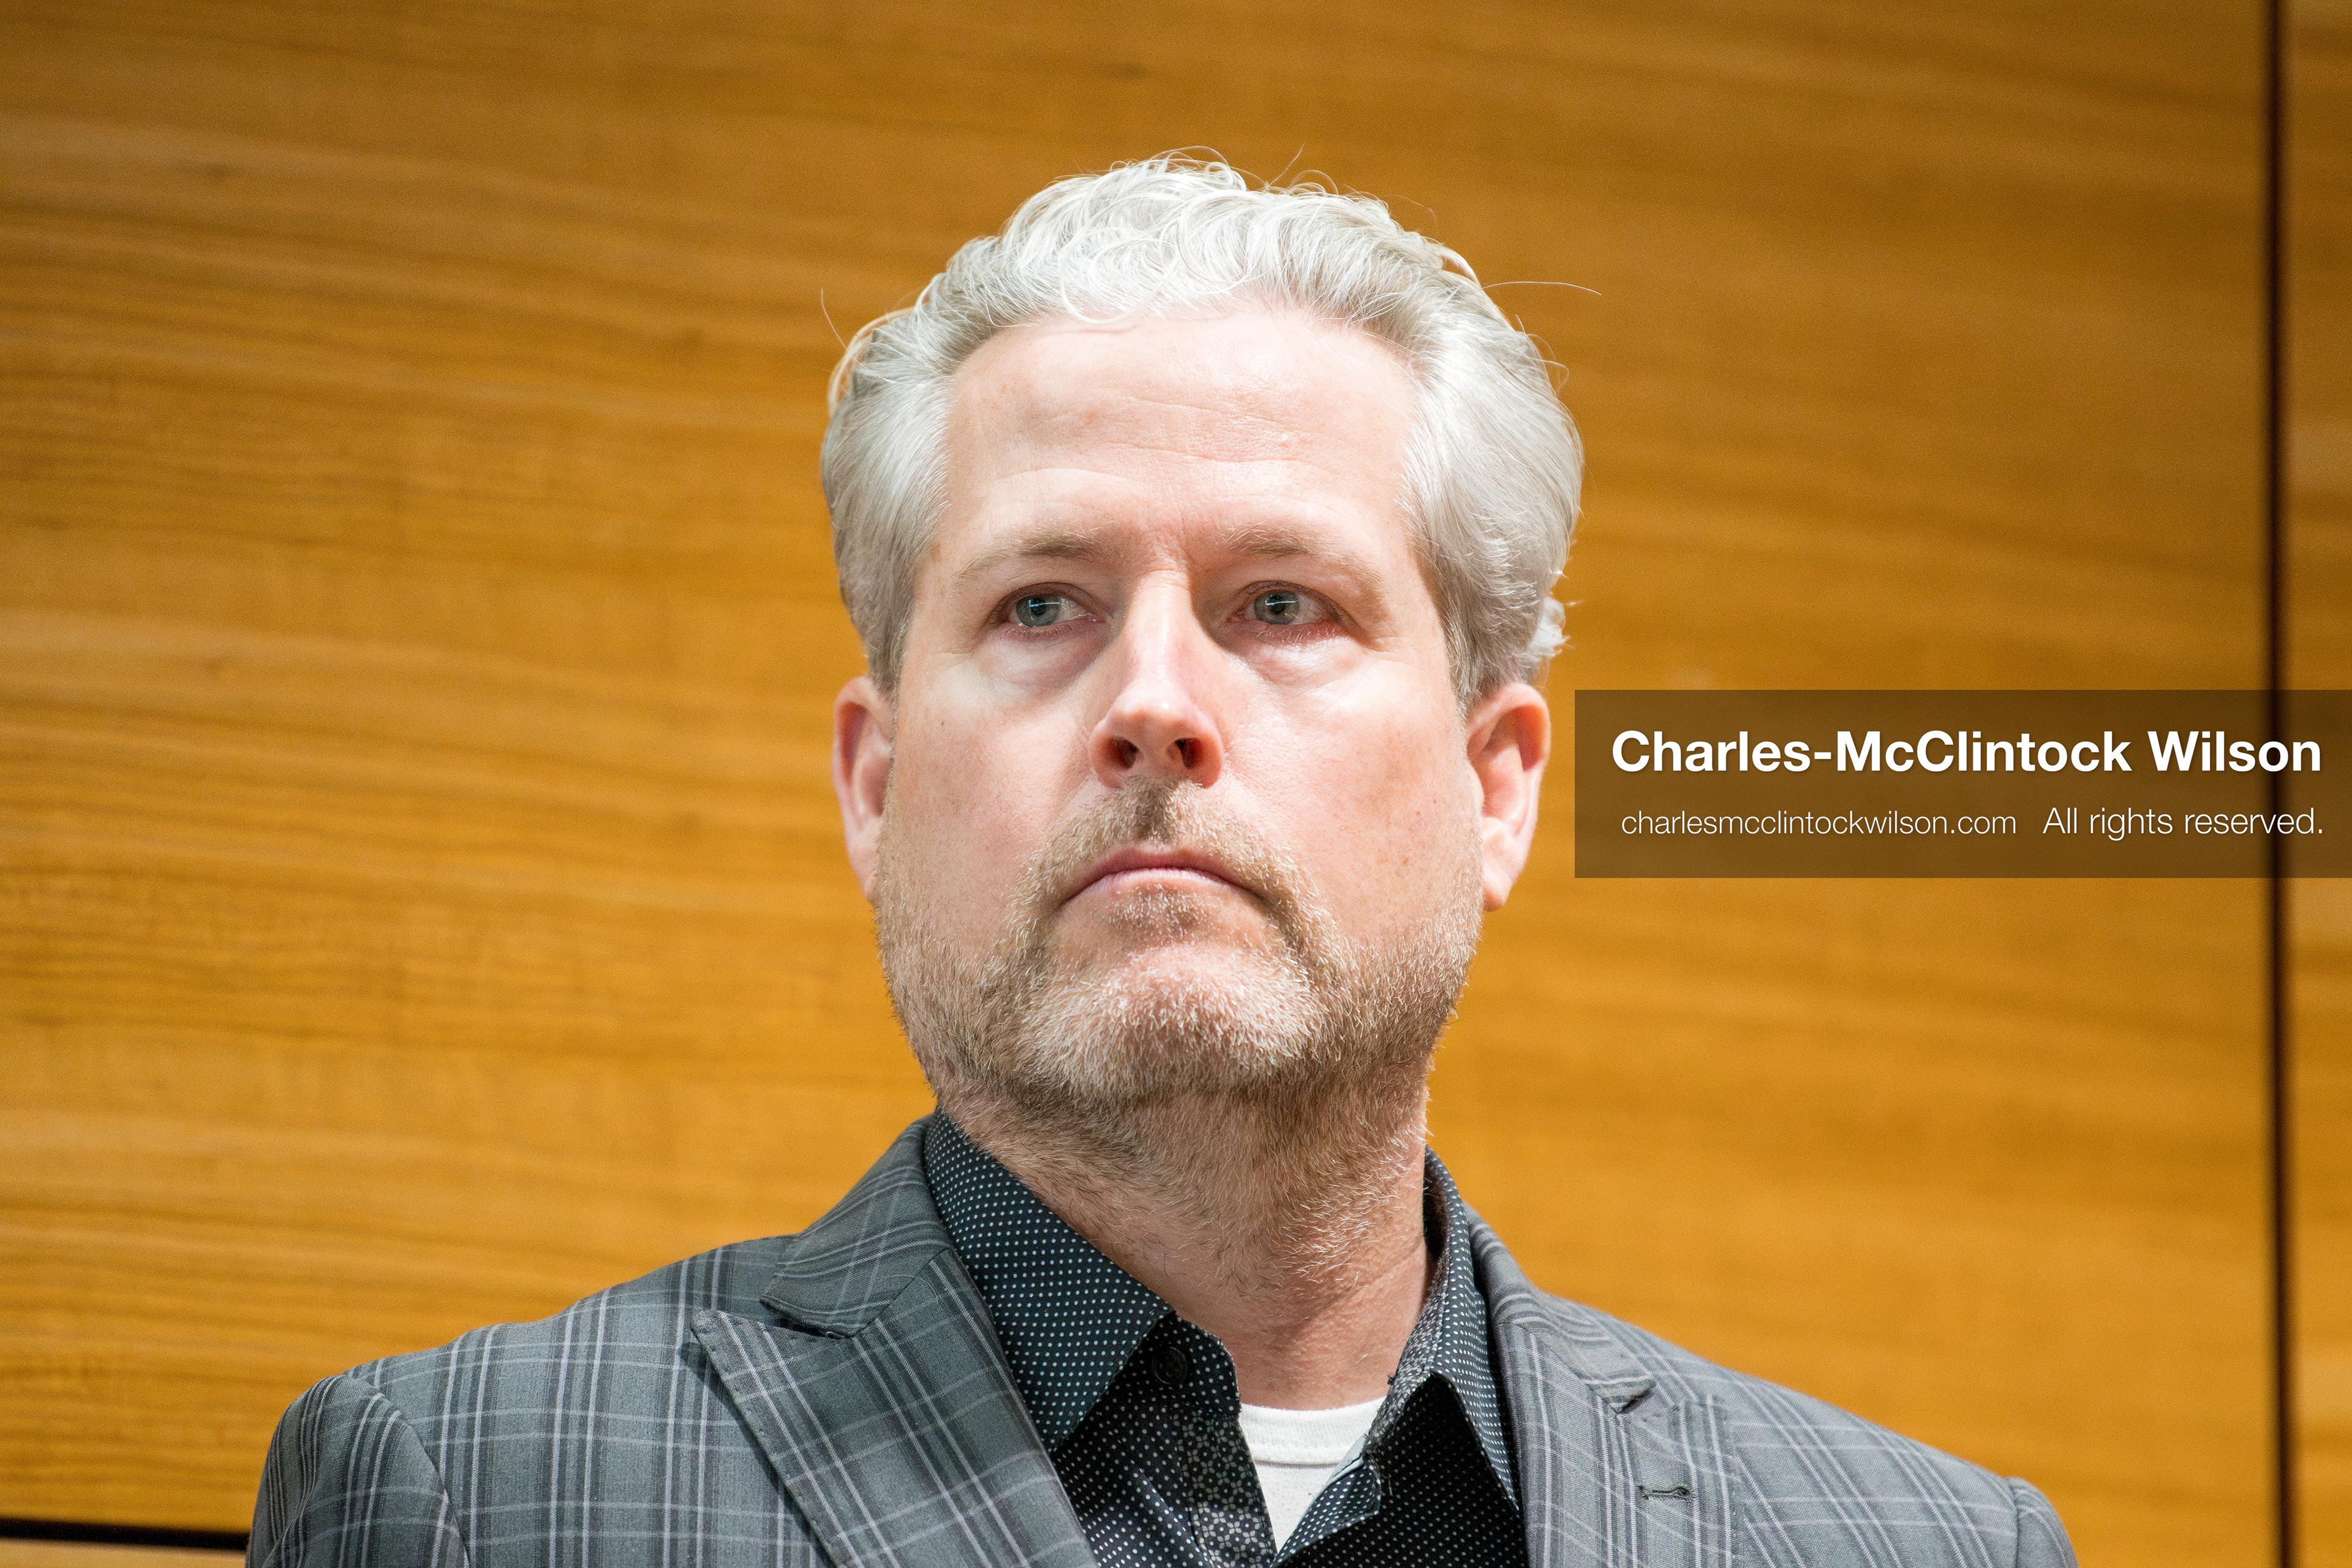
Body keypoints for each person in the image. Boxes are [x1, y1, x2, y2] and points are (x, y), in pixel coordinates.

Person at [249, 157, 2077, 1568]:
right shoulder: (477, 1494)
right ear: (875, 787)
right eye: (1041, 604)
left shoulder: (1918, 1546)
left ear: (1496, 782)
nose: (1153, 704)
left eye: (1281, 603)